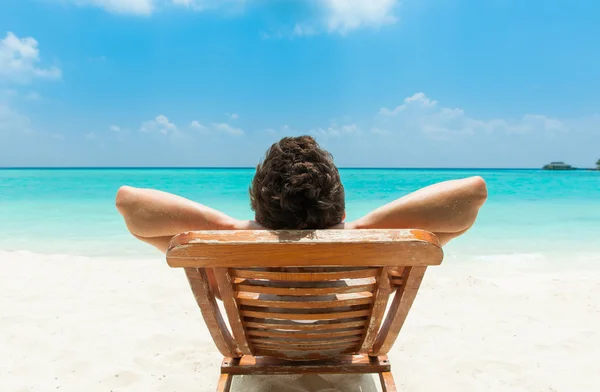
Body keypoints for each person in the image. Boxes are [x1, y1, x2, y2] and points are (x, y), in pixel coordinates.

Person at [116, 135, 487, 254]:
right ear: (338, 202)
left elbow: (129, 201)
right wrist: (360, 227)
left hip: (265, 345)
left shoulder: (228, 254)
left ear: (258, 206)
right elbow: (473, 192)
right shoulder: (372, 254)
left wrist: (233, 226)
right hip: (344, 344)